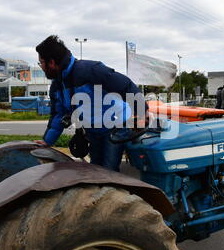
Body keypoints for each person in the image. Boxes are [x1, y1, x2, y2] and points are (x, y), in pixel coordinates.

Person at [33, 35, 145, 172]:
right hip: (93, 130)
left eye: (41, 63)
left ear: (51, 62)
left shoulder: (91, 71)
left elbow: (127, 86)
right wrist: (48, 141)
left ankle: (113, 191)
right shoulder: (57, 85)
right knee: (95, 169)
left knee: (109, 170)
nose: (41, 67)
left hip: (115, 127)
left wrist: (141, 113)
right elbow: (58, 114)